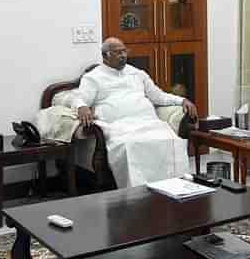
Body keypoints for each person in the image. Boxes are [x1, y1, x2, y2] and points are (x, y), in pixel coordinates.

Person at [73, 37, 198, 188]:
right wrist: (82, 107)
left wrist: (181, 100)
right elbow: (79, 98)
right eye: (118, 52)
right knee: (129, 146)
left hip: (148, 123)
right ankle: (137, 194)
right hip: (118, 127)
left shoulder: (137, 73)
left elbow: (158, 96)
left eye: (124, 51)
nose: (123, 55)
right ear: (106, 55)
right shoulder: (93, 77)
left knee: (171, 140)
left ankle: (178, 187)